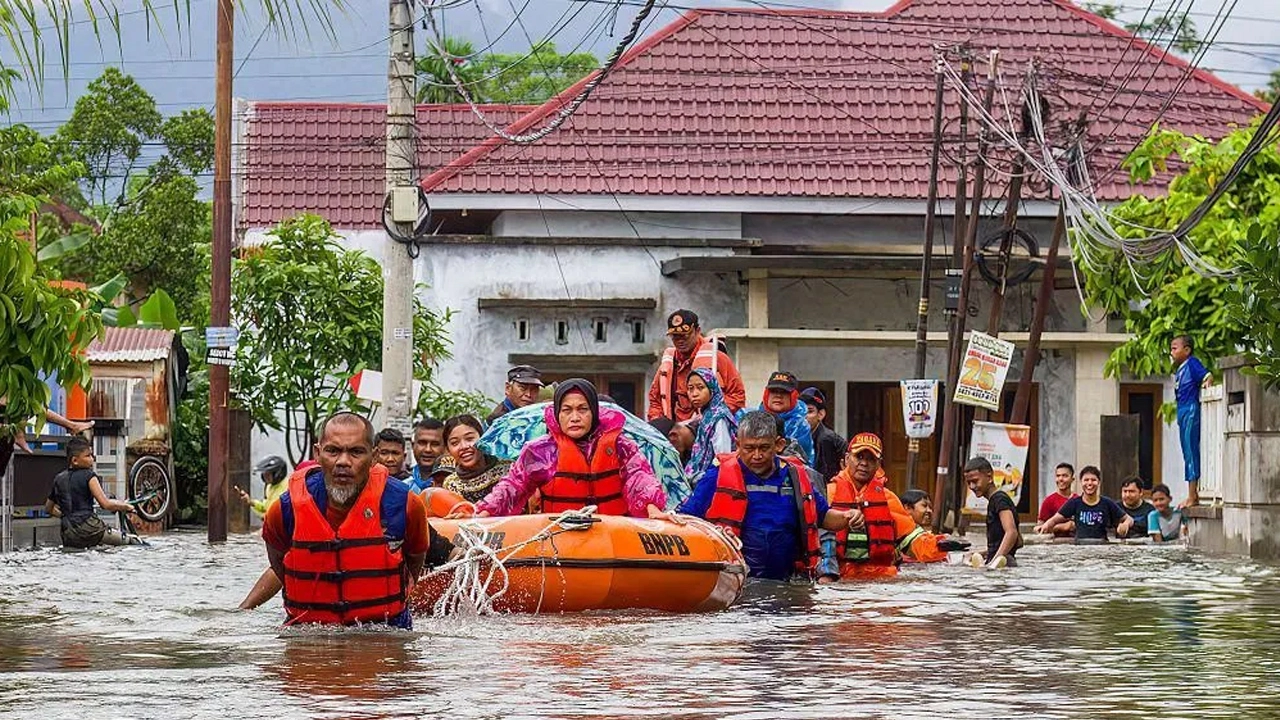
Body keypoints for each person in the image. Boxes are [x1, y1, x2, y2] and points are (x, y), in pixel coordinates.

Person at [260, 412, 454, 628]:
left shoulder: (405, 504)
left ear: (373, 457)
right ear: (317, 453)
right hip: (309, 634)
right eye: (333, 451)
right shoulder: (285, 509)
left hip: (385, 631)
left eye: (356, 452)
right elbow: (278, 563)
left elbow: (415, 559)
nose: (343, 462)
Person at [680, 411, 863, 581]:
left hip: (787, 581)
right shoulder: (718, 476)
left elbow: (824, 517)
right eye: (749, 448)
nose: (757, 455)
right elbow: (686, 519)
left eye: (764, 448)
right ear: (738, 445)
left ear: (779, 445)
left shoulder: (795, 478)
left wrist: (848, 517)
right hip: (735, 581)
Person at [476, 379, 668, 519]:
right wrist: (485, 510)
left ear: (593, 412)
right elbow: (513, 485)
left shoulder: (620, 445)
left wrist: (652, 508)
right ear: (558, 414)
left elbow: (639, 477)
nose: (575, 417)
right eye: (567, 410)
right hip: (561, 534)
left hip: (614, 533)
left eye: (582, 409)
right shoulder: (540, 451)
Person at [826, 433, 949, 575]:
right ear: (847, 459)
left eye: (871, 459)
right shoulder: (828, 494)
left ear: (878, 464)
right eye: (859, 457)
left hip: (880, 581)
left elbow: (913, 540)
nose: (864, 463)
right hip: (838, 578)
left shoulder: (888, 499)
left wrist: (942, 546)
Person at [647, 309, 746, 422]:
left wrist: (711, 415)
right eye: (675, 336)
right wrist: (659, 423)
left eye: (684, 336)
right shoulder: (668, 364)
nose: (680, 341)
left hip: (709, 429)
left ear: (697, 331)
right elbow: (655, 401)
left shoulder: (716, 358)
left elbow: (737, 396)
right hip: (676, 432)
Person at [44, 436, 140, 548]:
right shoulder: (89, 475)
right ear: (75, 460)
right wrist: (126, 507)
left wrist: (67, 517)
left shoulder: (58, 479)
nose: (92, 459)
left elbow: (48, 509)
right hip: (90, 528)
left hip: (68, 533)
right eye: (88, 456)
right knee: (132, 542)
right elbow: (105, 504)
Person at [1036, 465, 1134, 541]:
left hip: (1101, 545)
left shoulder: (1107, 503)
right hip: (1080, 545)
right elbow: (1054, 520)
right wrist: (1046, 525)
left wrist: (1125, 525)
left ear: (1099, 482)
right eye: (1086, 480)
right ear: (1081, 482)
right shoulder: (1074, 503)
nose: (1089, 483)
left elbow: (1129, 519)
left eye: (1093, 480)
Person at [1171, 335, 1212, 507]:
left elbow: (1207, 375)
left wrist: (1207, 385)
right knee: (1186, 452)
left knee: (1190, 450)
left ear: (1186, 350)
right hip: (1181, 409)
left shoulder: (1192, 363)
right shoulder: (1179, 369)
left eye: (1174, 348)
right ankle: (1190, 492)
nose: (1171, 352)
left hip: (1190, 409)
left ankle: (1192, 494)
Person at [742, 371, 815, 466]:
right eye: (773, 391)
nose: (778, 396)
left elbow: (803, 462)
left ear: (793, 396)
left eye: (784, 392)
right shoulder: (747, 419)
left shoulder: (801, 426)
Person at [439, 414, 513, 504]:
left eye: (469, 439)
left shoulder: (509, 468)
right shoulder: (451, 484)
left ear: (482, 438)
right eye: (454, 443)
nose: (463, 447)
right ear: (448, 450)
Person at [964, 456, 1021, 568]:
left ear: (989, 477)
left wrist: (992, 564)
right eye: (968, 483)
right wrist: (983, 553)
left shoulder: (999, 499)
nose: (972, 486)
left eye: (975, 481)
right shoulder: (997, 500)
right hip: (1006, 562)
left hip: (1003, 565)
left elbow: (1012, 533)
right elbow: (1019, 542)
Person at [684, 367, 738, 481]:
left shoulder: (719, 417)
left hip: (713, 481)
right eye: (690, 389)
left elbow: (723, 456)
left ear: (712, 389)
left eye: (700, 388)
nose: (694, 394)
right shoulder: (706, 415)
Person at [800, 387, 845, 480]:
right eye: (800, 411)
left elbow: (825, 479)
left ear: (820, 414)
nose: (803, 416)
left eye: (809, 411)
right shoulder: (796, 436)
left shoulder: (827, 439)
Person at [406, 418, 446, 493]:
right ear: (412, 446)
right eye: (422, 443)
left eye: (435, 444)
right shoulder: (403, 487)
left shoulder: (454, 487)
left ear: (445, 448)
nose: (428, 449)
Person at [1038, 463, 1077, 539]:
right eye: (1058, 476)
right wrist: (1062, 527)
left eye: (1065, 476)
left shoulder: (1078, 500)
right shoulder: (1049, 501)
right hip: (1054, 545)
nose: (1060, 479)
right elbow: (1039, 528)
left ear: (1072, 479)